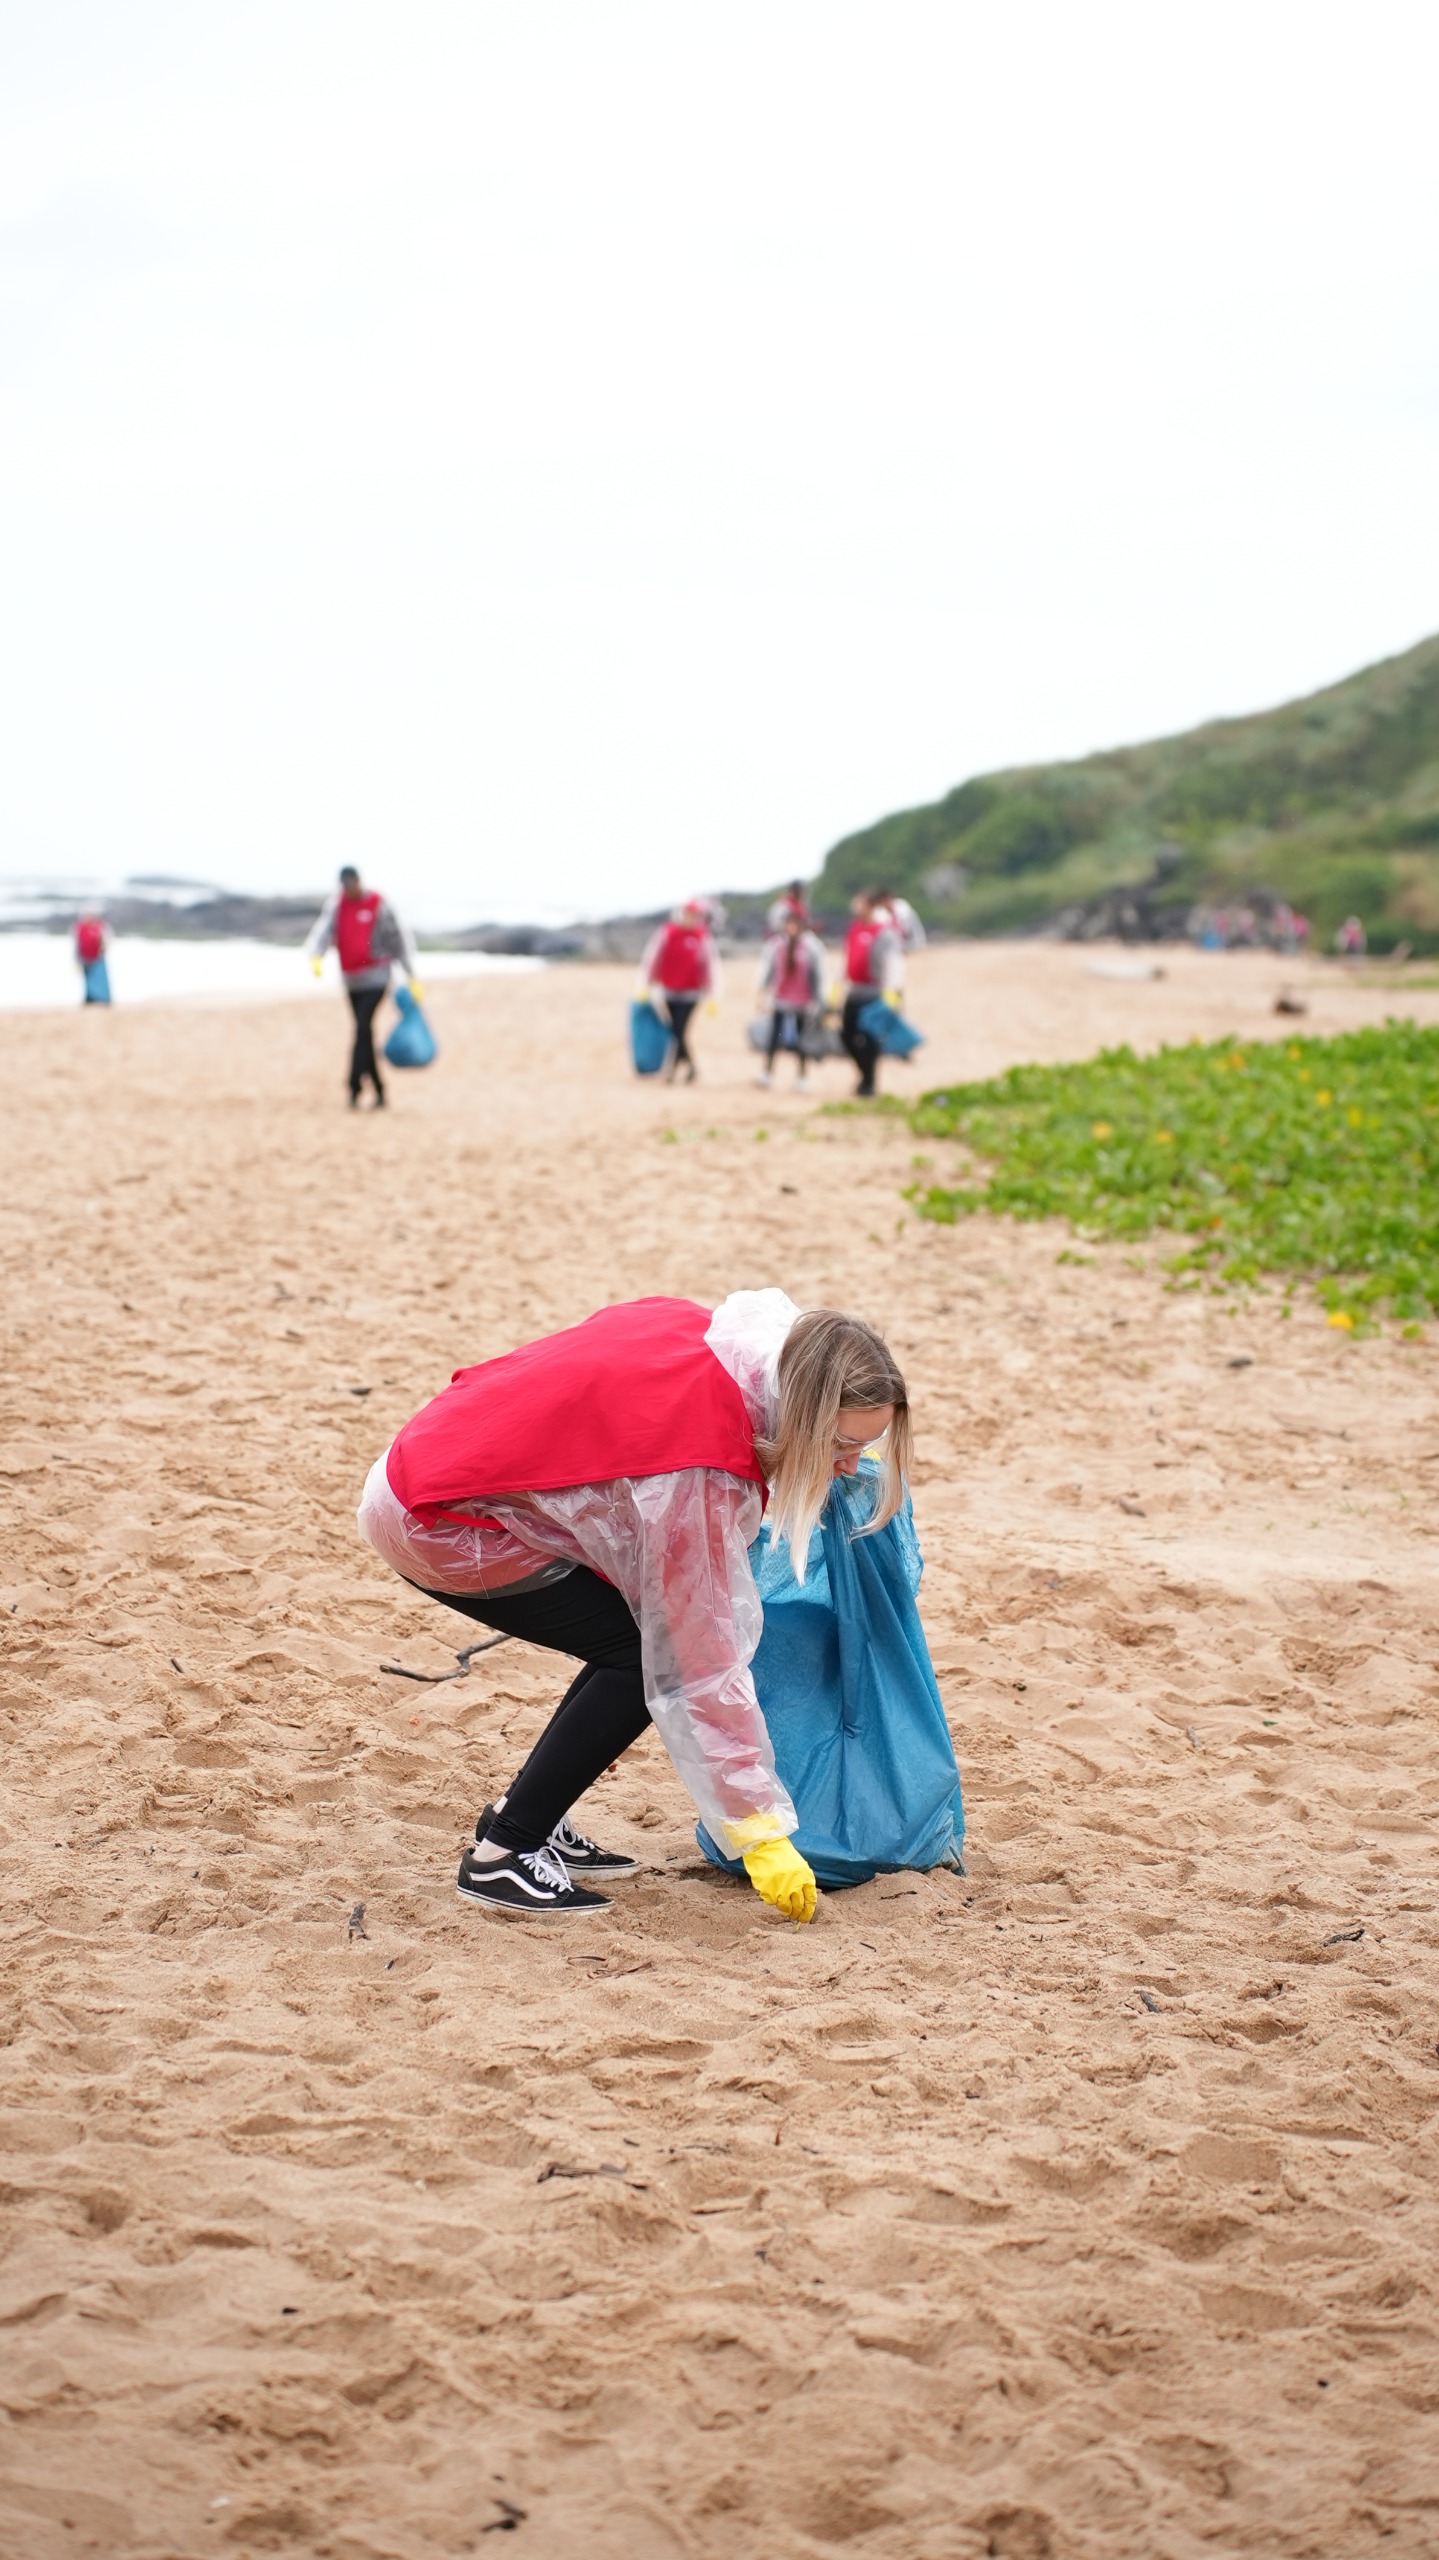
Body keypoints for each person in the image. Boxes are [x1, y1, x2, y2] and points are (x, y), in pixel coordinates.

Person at [357, 1288, 910, 1922]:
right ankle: (503, 1854)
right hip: (439, 1517)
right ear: (806, 1409)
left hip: (442, 1457)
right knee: (643, 1655)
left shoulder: (730, 1344)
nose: (849, 1465)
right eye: (841, 1444)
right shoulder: (703, 1468)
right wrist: (758, 1831)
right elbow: (699, 1664)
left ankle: (530, 1814)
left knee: (631, 1642)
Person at [305, 866, 420, 1108]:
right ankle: (378, 1091)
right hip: (351, 980)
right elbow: (324, 931)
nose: (349, 890)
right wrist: (316, 955)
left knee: (362, 1028)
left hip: (377, 977)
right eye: (345, 886)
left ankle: (354, 1087)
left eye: (352, 885)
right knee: (364, 1033)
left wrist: (411, 975)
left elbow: (398, 938)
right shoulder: (338, 905)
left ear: (359, 881)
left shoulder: (379, 904)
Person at [640, 900, 721, 1083]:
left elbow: (709, 966)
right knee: (677, 1031)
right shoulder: (668, 933)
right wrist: (646, 984)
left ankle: (672, 1071)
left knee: (679, 1030)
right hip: (669, 990)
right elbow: (654, 958)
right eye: (688, 914)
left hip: (692, 993)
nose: (690, 918)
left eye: (694, 915)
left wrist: (712, 995)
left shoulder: (702, 937)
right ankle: (690, 1067)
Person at [754, 910, 827, 1089]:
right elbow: (768, 972)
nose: (790, 928)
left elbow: (818, 975)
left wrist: (819, 1001)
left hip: (803, 1001)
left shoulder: (811, 946)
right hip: (781, 999)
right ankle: (767, 1073)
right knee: (774, 1037)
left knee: (802, 1041)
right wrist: (762, 994)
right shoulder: (777, 945)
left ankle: (802, 1076)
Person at [840, 891, 900, 1099]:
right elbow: (846, 959)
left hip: (874, 992)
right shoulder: (855, 929)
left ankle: (869, 1080)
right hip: (854, 990)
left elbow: (892, 964)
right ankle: (864, 1075)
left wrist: (891, 994)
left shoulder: (884, 933)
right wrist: (836, 988)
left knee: (869, 1039)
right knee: (846, 1036)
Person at [73, 911, 111, 1006]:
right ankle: (90, 998)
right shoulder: (79, 928)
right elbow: (76, 944)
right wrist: (77, 958)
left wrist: (103, 949)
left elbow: (107, 940)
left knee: (100, 979)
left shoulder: (100, 927)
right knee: (88, 979)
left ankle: (103, 998)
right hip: (85, 958)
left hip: (97, 957)